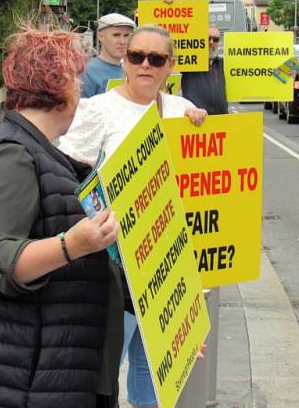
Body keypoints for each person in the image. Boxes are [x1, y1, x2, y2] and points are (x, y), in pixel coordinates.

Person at [0, 29, 124, 407]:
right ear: (61, 85)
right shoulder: (9, 154)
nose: (80, 91)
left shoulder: (41, 152)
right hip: (15, 383)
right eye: (76, 80)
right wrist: (72, 245)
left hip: (46, 375)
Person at [59, 25, 207, 408]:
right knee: (105, 369)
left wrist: (203, 126)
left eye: (156, 59)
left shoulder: (180, 110)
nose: (145, 65)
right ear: (124, 61)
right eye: (137, 56)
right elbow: (69, 179)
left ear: (170, 66)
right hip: (116, 268)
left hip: (167, 265)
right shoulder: (99, 110)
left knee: (155, 373)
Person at [81, 13, 136, 98]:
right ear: (100, 36)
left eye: (126, 35)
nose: (122, 41)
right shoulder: (87, 73)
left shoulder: (131, 70)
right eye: (116, 35)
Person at [179, 26, 228, 115]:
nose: (211, 42)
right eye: (208, 38)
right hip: (195, 120)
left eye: (215, 39)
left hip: (221, 120)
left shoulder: (222, 64)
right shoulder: (189, 63)